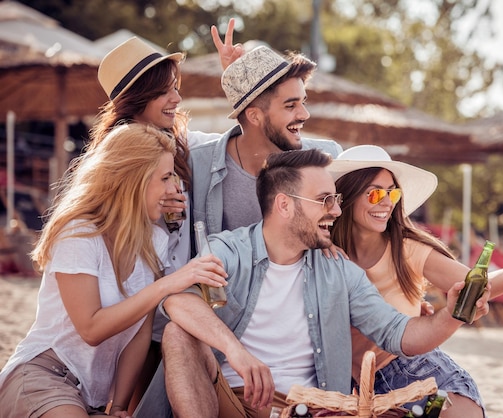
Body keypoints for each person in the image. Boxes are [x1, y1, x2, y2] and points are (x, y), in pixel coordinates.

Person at [138, 148, 490, 418]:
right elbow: (177, 301)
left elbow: (402, 335)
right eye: (324, 200)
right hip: (230, 400)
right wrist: (237, 353)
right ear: (284, 205)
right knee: (178, 334)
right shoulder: (232, 250)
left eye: (335, 200)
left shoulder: (339, 269)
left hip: (309, 407)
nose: (335, 211)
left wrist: (452, 316)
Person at [328, 145, 503, 418]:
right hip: (356, 386)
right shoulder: (323, 253)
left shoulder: (406, 248)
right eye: (376, 193)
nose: (387, 202)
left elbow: (477, 284)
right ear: (347, 197)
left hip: (415, 370)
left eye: (393, 192)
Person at [0, 124, 226, 418]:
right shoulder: (78, 234)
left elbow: (140, 332)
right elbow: (91, 329)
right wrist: (168, 284)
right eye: (165, 177)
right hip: (43, 375)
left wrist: (118, 405)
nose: (174, 189)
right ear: (133, 180)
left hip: (88, 397)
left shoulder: (154, 241)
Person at [93, 36, 203, 410]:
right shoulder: (110, 158)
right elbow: (100, 225)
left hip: (169, 308)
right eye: (164, 91)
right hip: (124, 311)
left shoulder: (180, 144)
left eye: (176, 88)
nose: (176, 100)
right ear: (138, 98)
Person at [189, 19, 343, 235]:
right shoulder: (198, 165)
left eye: (303, 102)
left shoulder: (330, 160)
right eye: (291, 105)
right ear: (254, 115)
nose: (304, 114)